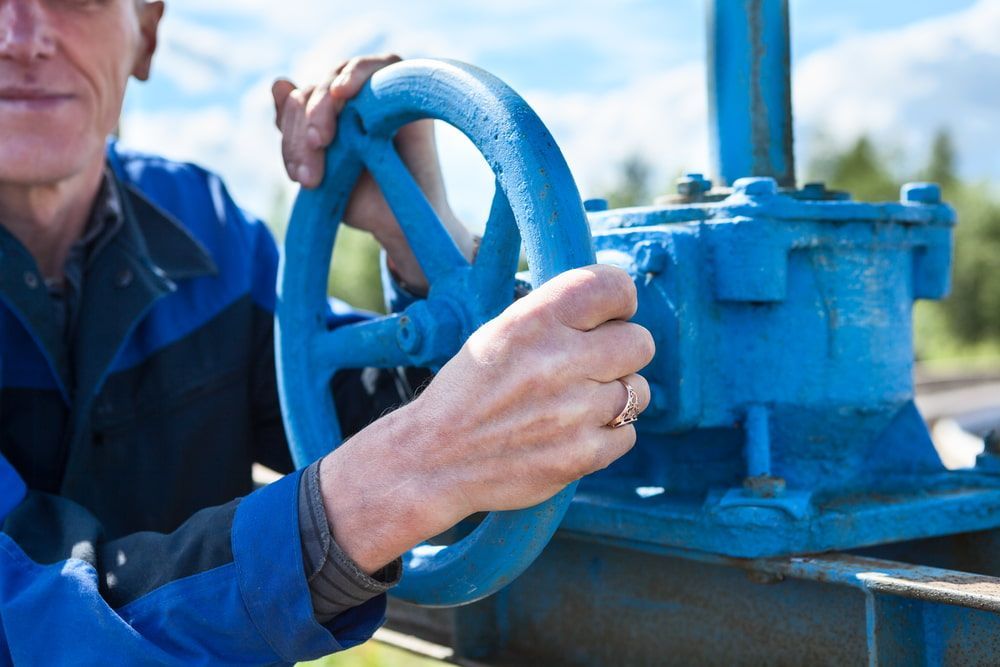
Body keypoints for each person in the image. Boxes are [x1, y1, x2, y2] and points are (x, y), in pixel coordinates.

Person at [0, 0, 654, 664]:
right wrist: (403, 476)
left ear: (146, 32)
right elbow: (27, 615)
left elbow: (441, 443)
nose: (21, 38)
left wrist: (427, 248)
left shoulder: (212, 236)